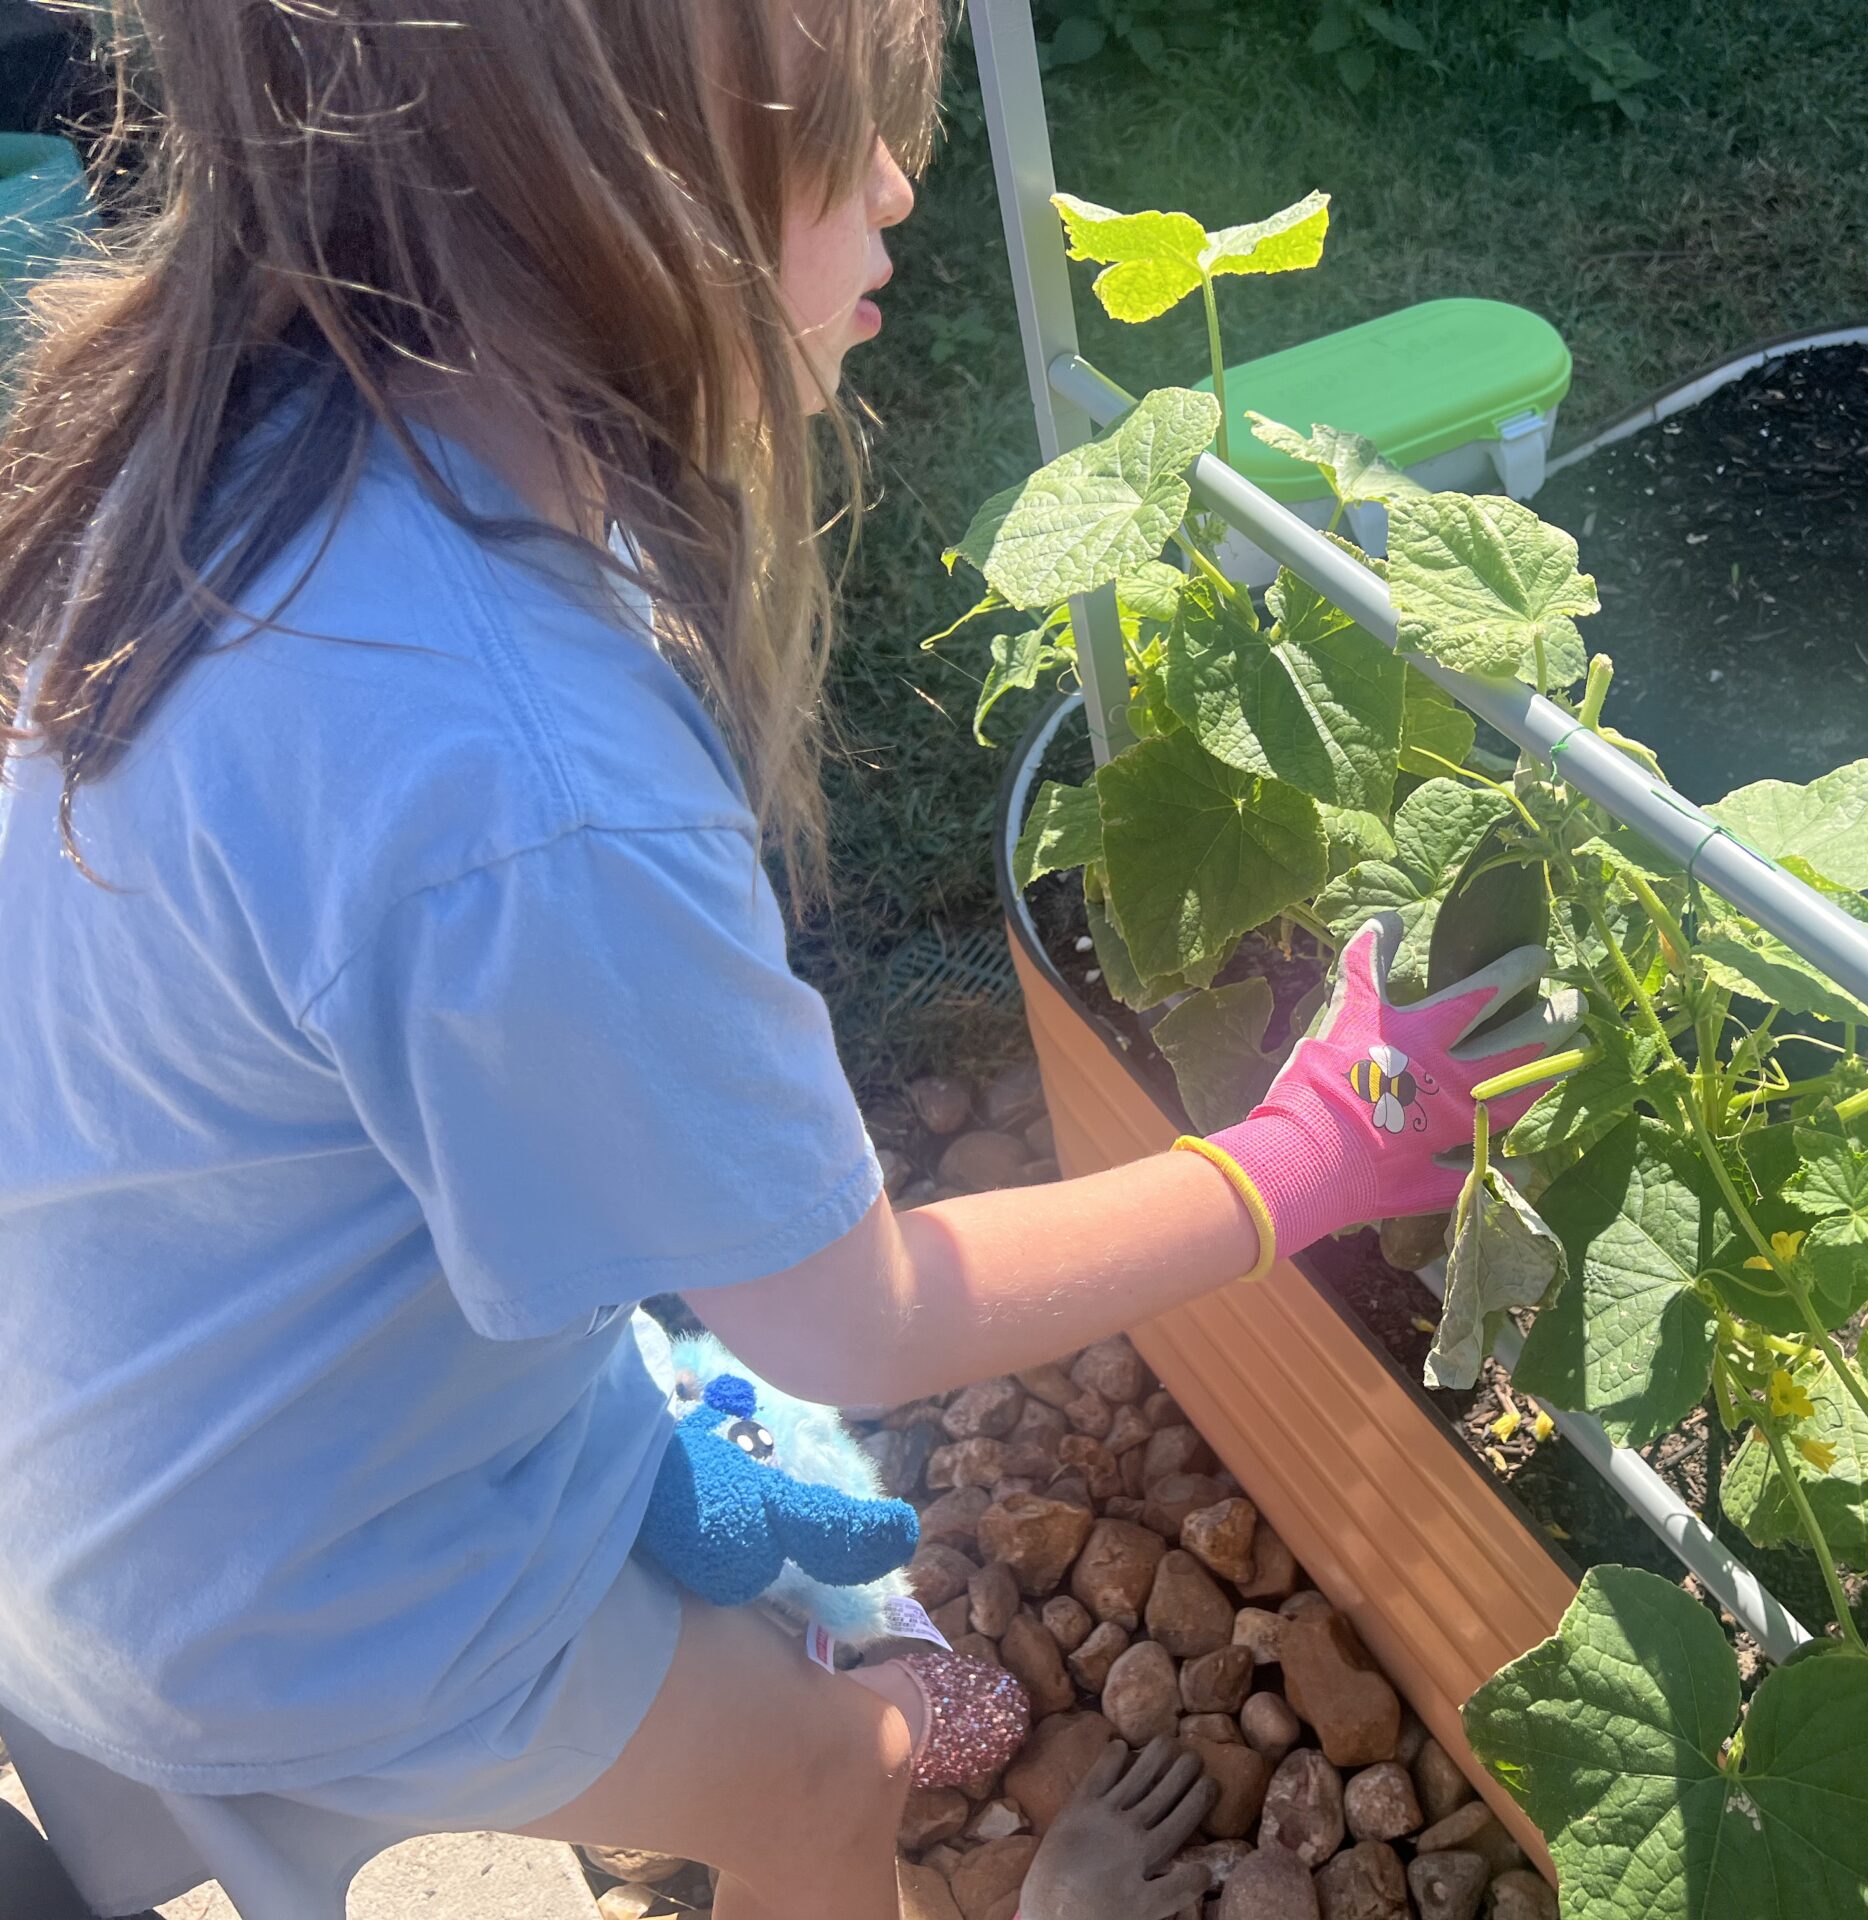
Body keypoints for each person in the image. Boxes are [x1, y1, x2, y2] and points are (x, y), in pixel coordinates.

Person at [0, 5, 1577, 1917]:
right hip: (276, 1599)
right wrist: (1309, 1151)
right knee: (854, 1768)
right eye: (835, 130)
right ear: (622, 177)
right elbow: (854, 1321)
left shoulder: (231, 445)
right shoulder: (533, 779)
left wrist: (599, 1426)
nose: (906, 185)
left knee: (799, 1626)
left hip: (95, 1456)